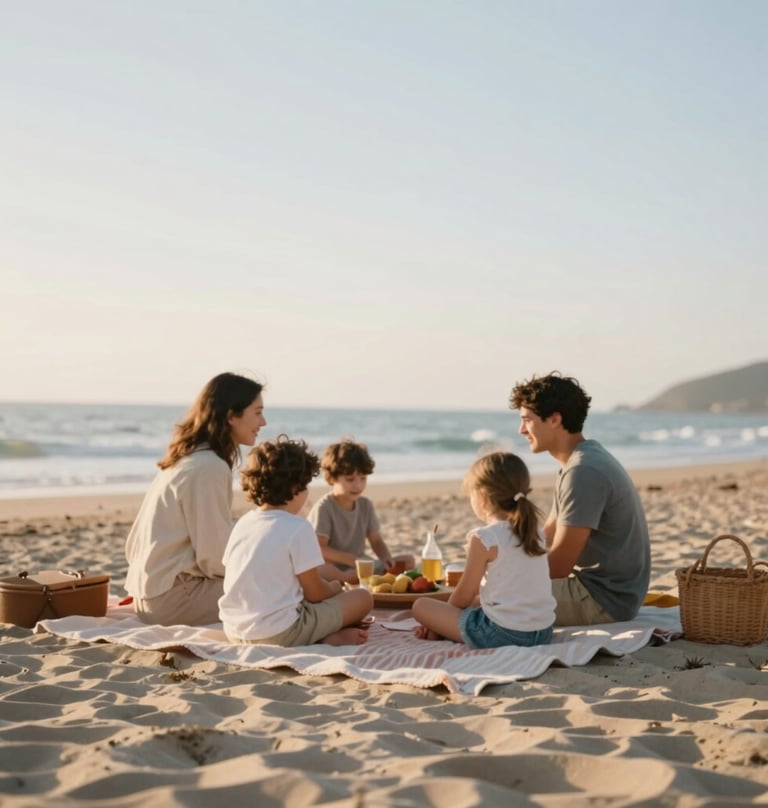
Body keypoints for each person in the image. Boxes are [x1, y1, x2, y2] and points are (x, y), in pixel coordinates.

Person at [509, 371, 651, 626]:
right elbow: (548, 534)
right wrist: (507, 560)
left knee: (491, 601)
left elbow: (560, 565)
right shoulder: (576, 462)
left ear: (554, 419)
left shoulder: (583, 471)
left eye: (527, 420)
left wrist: (507, 580)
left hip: (603, 600)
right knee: (490, 586)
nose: (521, 430)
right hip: (606, 593)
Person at [125, 372, 266, 626]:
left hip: (148, 595)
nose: (263, 422)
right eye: (257, 412)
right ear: (231, 416)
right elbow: (214, 556)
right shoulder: (208, 467)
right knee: (281, 590)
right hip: (173, 599)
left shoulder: (187, 458)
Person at [219, 435, 373, 647]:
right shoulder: (298, 528)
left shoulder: (243, 523)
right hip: (279, 633)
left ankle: (322, 634)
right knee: (363, 598)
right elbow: (316, 594)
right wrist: (335, 588)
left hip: (234, 630)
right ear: (295, 489)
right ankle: (323, 638)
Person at [412, 452, 555, 648]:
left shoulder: (485, 538)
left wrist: (438, 624)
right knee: (478, 602)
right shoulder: (535, 532)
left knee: (421, 606)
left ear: (482, 497)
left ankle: (441, 631)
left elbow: (463, 595)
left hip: (502, 634)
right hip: (542, 632)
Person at [307, 439, 415, 584]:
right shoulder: (324, 507)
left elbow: (376, 540)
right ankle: (346, 579)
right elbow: (319, 549)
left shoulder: (366, 505)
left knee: (408, 561)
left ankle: (364, 578)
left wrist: (386, 558)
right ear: (332, 478)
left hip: (360, 565)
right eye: (350, 479)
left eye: (363, 478)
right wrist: (349, 559)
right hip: (333, 567)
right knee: (320, 568)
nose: (357, 485)